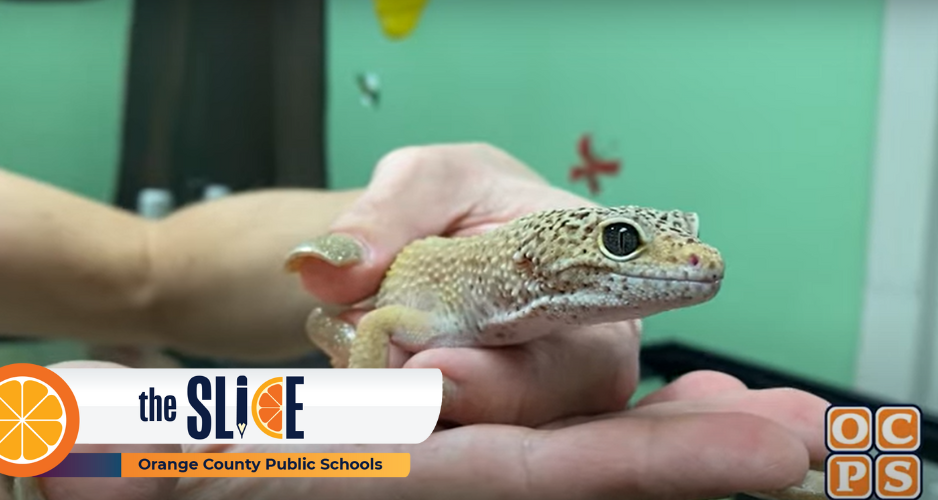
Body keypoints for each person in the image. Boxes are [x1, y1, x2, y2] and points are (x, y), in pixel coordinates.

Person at [0, 143, 828, 500]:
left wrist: (442, 203)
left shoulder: (521, 287)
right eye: (626, 244)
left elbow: (144, 267)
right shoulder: (440, 311)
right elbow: (376, 319)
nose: (696, 262)